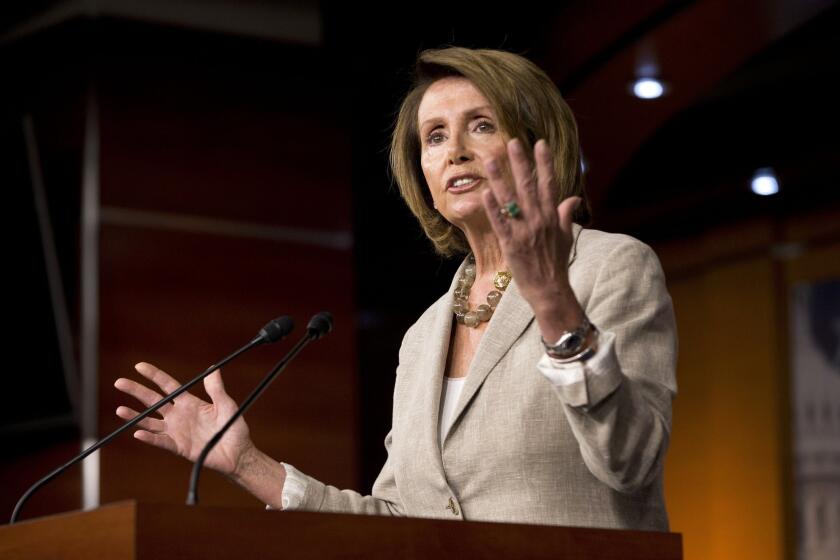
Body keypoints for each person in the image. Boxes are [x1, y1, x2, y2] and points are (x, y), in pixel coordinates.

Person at [114, 47, 677, 530]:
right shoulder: (423, 336)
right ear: (423, 174)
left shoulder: (609, 267)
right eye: (434, 137)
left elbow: (631, 462)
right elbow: (399, 519)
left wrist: (556, 308)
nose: (454, 149)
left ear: (535, 146)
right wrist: (245, 463)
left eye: (481, 124)